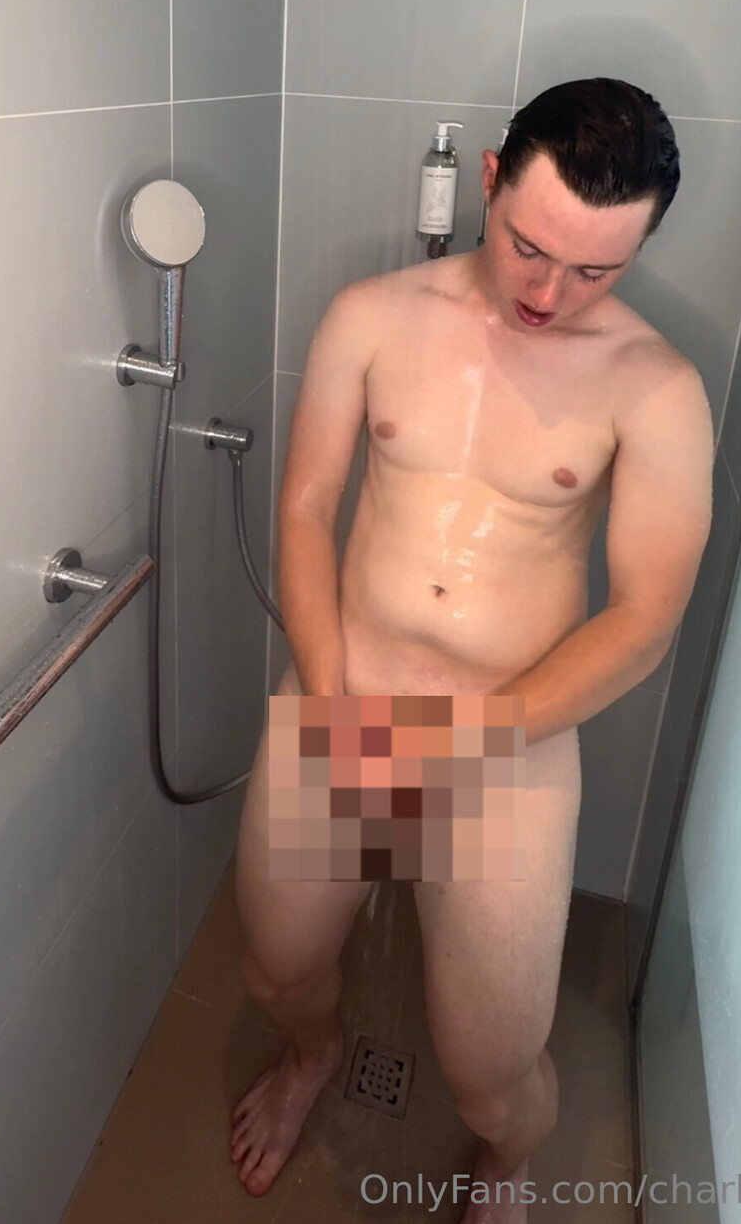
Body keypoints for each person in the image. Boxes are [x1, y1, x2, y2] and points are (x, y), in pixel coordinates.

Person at [230, 78, 714, 1221]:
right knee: (277, 968)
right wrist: (331, 699)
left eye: (595, 270)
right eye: (529, 248)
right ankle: (312, 1055)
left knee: (493, 1074)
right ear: (490, 183)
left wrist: (471, 743)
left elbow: (644, 621)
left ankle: (506, 1160)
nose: (550, 293)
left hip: (504, 745)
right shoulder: (371, 315)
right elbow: (304, 509)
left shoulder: (656, 388)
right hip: (350, 697)